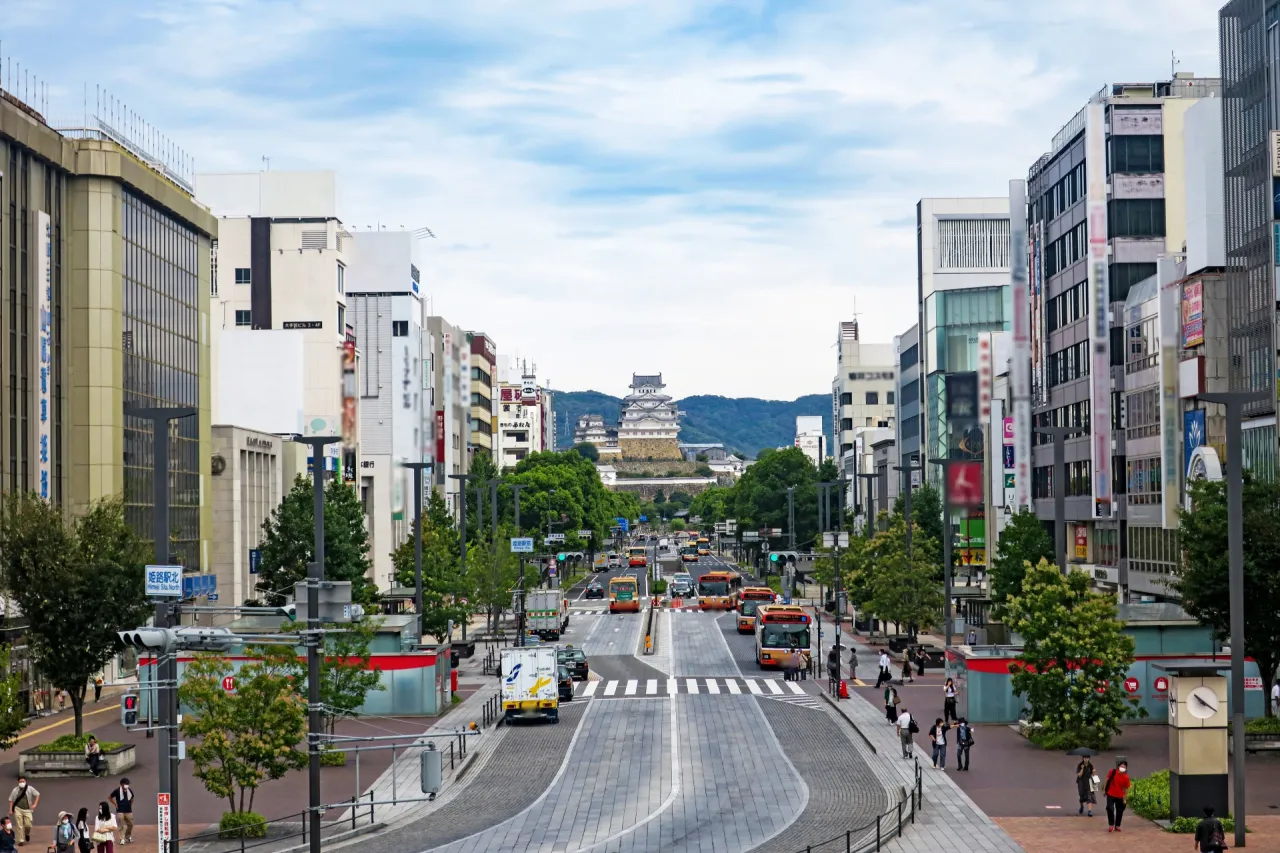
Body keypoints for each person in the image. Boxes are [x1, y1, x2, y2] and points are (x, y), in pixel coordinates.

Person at [7, 776, 38, 846]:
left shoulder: (30, 788)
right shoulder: (15, 790)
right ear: (18, 782)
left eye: (23, 781)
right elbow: (11, 799)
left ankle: (27, 833)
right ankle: (21, 840)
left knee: (28, 824)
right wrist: (11, 809)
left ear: (25, 781)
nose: (22, 783)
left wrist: (35, 804)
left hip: (27, 809)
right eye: (20, 781)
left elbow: (37, 794)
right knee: (19, 825)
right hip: (18, 809)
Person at [1104, 760, 1131, 832]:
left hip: (1119, 796)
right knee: (1110, 808)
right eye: (1121, 766)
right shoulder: (1112, 772)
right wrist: (1105, 790)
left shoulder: (1126, 777)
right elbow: (1106, 780)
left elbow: (1126, 789)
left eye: (1124, 767)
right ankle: (1111, 824)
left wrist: (1124, 799)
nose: (1122, 768)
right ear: (1118, 766)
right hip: (1110, 794)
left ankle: (1117, 825)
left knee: (1120, 811)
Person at [108, 780, 133, 845]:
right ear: (121, 784)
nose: (127, 785)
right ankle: (122, 839)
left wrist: (130, 805)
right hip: (120, 810)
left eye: (128, 784)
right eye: (125, 784)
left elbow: (132, 797)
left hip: (128, 810)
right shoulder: (117, 791)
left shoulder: (129, 790)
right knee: (121, 825)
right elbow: (110, 797)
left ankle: (128, 836)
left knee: (130, 824)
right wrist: (115, 804)